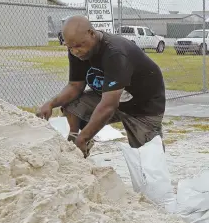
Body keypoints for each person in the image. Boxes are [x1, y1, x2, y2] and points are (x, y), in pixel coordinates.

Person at [37, 15, 166, 158]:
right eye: (70, 47)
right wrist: (50, 103)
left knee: (148, 158)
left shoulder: (115, 52)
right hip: (110, 98)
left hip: (143, 107)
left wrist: (84, 137)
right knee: (71, 104)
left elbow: (108, 106)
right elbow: (75, 86)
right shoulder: (77, 48)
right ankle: (76, 149)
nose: (75, 51)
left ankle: (83, 140)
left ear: (92, 33)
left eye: (78, 46)